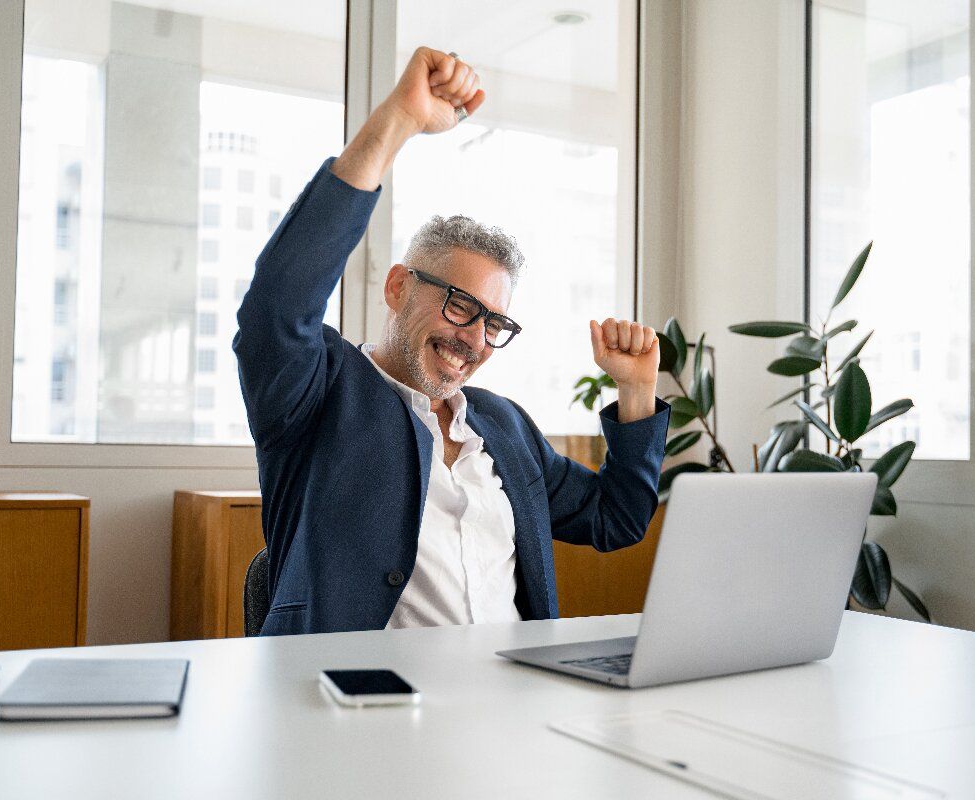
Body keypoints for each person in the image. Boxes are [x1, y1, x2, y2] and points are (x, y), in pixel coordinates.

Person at [233, 47, 670, 636]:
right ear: (396, 287)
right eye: (460, 306)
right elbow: (278, 305)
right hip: (368, 710)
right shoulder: (320, 394)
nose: (473, 340)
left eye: (493, 322)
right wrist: (400, 120)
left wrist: (637, 392)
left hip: (512, 702)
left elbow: (615, 519)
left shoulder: (504, 427)